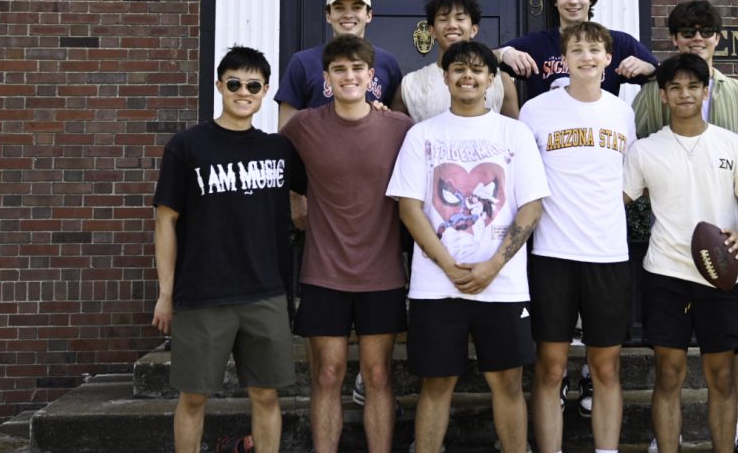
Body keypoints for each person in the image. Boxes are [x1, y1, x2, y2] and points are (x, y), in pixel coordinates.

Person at [386, 40, 549, 453]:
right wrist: (448, 266)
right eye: (459, 69)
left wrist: (493, 265)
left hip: (504, 284)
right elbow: (409, 208)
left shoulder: (515, 134)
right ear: (445, 78)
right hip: (436, 286)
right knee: (437, 382)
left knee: (508, 381)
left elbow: (531, 207)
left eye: (478, 70)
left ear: (492, 79)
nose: (468, 76)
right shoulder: (421, 135)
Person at [632, 0, 738, 453]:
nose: (686, 94)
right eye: (677, 87)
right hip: (666, 272)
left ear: (706, 91)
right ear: (663, 94)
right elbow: (612, 200)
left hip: (723, 271)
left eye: (695, 87)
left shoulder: (734, 143)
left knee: (721, 374)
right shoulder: (646, 149)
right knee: (668, 371)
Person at [151, 46, 304, 453]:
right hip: (203, 295)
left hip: (266, 292)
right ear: (219, 85)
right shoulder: (187, 146)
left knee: (267, 396)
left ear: (266, 90)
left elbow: (319, 192)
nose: (243, 91)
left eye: (253, 85)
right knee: (194, 397)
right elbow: (165, 221)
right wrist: (165, 294)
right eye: (234, 83)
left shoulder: (280, 150)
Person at [280, 35, 414, 453]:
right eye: (340, 69)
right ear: (326, 78)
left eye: (358, 69)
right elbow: (271, 169)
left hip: (383, 272)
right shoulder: (303, 127)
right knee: (328, 374)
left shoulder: (400, 128)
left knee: (377, 375)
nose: (349, 76)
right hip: (324, 271)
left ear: (372, 77)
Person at [518, 21, 635, 453]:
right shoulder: (537, 111)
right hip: (552, 254)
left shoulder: (623, 112)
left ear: (608, 59)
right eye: (577, 50)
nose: (586, 56)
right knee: (550, 369)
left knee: (605, 368)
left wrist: (601, 209)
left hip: (607, 254)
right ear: (562, 60)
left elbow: (629, 179)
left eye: (595, 50)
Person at [496, 0, 657, 103]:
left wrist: (649, 70)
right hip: (548, 132)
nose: (573, 1)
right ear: (555, 0)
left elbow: (666, 76)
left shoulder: (618, 42)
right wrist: (504, 53)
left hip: (600, 131)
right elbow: (480, 60)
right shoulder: (536, 44)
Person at [275, 0, 402, 129]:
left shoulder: (388, 62)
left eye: (356, 8)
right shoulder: (303, 62)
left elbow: (394, 122)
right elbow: (286, 128)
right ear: (328, 15)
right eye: (339, 8)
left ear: (369, 15)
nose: (348, 15)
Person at [393, 0, 520, 121]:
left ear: (474, 29)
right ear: (432, 31)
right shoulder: (410, 84)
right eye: (443, 19)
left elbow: (513, 133)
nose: (452, 25)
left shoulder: (501, 81)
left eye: (460, 18)